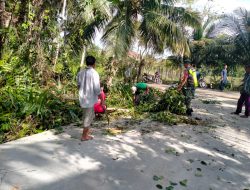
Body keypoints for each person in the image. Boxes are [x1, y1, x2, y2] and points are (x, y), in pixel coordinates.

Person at [77, 55, 103, 141]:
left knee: (87, 116)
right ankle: (84, 136)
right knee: (87, 118)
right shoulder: (94, 73)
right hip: (90, 99)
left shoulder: (80, 72)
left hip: (82, 98)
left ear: (86, 63)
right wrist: (101, 99)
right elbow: (96, 89)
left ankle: (86, 134)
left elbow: (78, 85)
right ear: (94, 63)